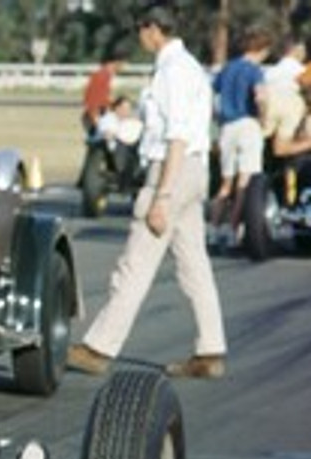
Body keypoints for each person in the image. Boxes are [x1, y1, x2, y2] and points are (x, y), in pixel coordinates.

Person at [67, 2, 227, 380]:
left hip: (171, 171)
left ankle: (98, 347)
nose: (140, 37)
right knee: (193, 265)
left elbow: (176, 136)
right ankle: (210, 348)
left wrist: (162, 195)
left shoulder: (172, 71)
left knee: (134, 265)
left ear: (154, 29)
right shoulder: (189, 68)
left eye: (142, 29)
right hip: (193, 170)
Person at [209, 26, 270, 245]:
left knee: (225, 182)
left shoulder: (226, 69)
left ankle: (213, 228)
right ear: (260, 50)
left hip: (227, 126)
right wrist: (264, 118)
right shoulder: (254, 71)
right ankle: (233, 229)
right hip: (247, 123)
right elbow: (260, 97)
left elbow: (213, 96)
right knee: (245, 182)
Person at [82, 45, 128, 135]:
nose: (125, 66)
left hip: (102, 118)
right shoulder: (101, 76)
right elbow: (93, 104)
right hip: (97, 120)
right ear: (116, 62)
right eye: (124, 62)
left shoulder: (106, 76)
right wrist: (99, 126)